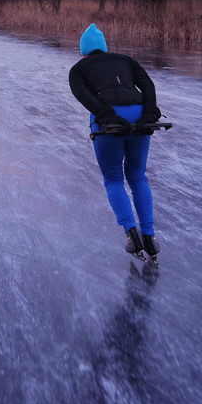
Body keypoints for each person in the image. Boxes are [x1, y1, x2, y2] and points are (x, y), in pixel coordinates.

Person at [69, 23, 163, 263]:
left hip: (110, 120)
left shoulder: (78, 69)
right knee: (138, 176)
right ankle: (150, 236)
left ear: (83, 51)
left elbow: (84, 96)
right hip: (138, 113)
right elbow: (148, 86)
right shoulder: (127, 60)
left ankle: (132, 234)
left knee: (113, 178)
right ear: (104, 47)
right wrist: (149, 114)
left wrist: (107, 116)